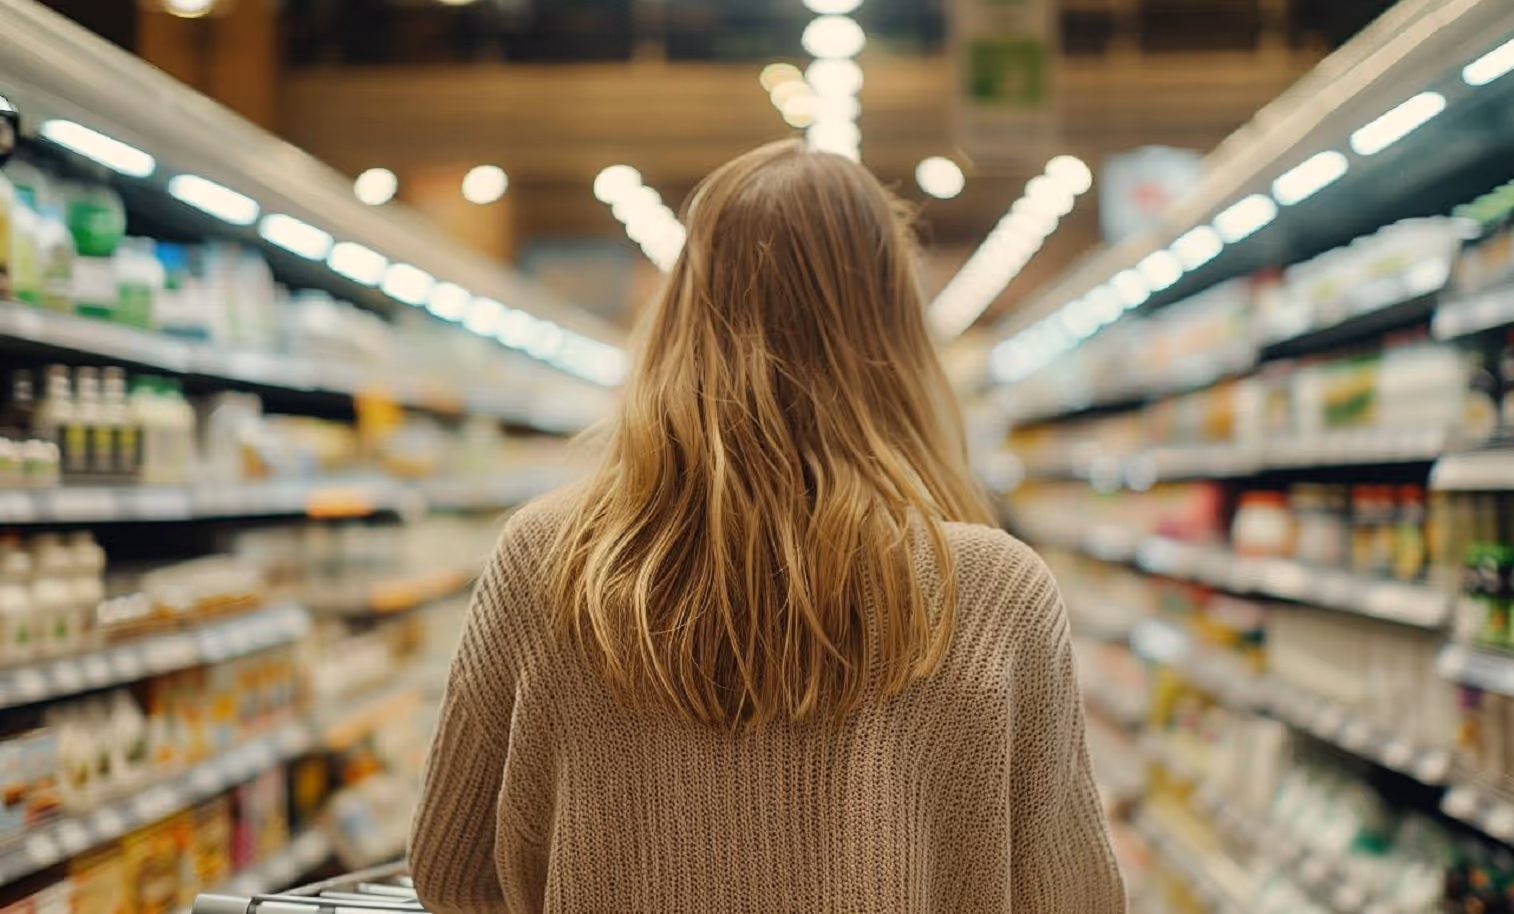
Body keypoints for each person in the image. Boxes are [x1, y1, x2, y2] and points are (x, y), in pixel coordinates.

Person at [409, 139, 1125, 914]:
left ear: (680, 313)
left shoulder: (548, 556)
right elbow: (1075, 898)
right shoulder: (993, 592)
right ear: (894, 338)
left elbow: (451, 871)